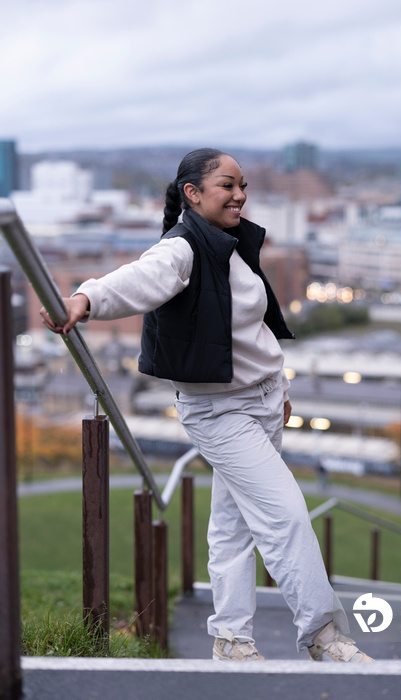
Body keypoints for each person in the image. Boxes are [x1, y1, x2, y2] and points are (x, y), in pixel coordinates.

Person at [41, 147, 373, 663]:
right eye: (227, 185)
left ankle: (232, 639)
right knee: (285, 514)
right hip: (220, 412)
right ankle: (325, 636)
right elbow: (140, 277)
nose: (240, 195)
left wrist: (277, 385)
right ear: (192, 194)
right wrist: (85, 300)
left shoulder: (232, 242)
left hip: (262, 402)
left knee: (234, 524)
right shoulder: (183, 248)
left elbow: (251, 324)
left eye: (243, 185)